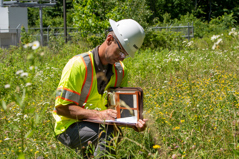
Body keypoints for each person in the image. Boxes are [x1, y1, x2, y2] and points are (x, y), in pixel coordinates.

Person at [52, 19, 148, 158]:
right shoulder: (78, 65)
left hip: (96, 125)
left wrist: (134, 123)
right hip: (68, 127)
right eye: (120, 52)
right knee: (107, 133)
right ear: (109, 39)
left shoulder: (120, 71)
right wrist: (98, 115)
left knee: (111, 132)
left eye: (125, 55)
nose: (122, 58)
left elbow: (117, 112)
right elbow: (61, 108)